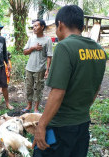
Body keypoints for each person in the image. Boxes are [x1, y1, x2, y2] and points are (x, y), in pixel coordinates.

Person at [32, 5, 107, 157]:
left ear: (60, 24)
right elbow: (96, 88)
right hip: (82, 124)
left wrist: (42, 125)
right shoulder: (99, 50)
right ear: (82, 26)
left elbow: (57, 92)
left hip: (60, 126)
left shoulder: (64, 47)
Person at [22, 19, 53, 113]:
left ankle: (36, 108)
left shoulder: (47, 40)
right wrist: (33, 48)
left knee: (38, 88)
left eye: (36, 26)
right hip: (29, 68)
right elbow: (24, 52)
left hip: (40, 69)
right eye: (33, 26)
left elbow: (49, 56)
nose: (34, 28)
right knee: (28, 87)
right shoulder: (31, 38)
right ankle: (28, 106)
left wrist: (47, 70)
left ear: (42, 27)